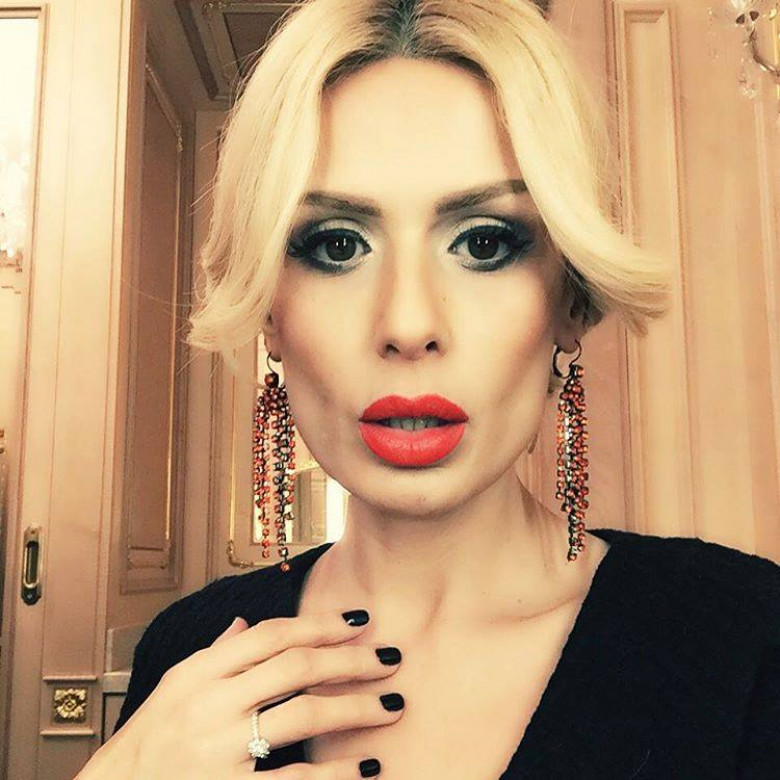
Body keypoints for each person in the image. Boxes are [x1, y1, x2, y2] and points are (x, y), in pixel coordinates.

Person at [76, 1, 779, 778]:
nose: (409, 324)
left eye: (483, 242)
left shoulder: (748, 638)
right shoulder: (187, 652)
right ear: (269, 312)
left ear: (570, 301)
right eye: (337, 245)